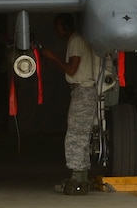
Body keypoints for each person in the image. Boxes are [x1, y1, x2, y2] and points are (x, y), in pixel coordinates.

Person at [41, 14, 102, 196]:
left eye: (58, 27)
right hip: (85, 91)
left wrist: (53, 57)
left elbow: (72, 69)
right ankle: (81, 177)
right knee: (81, 135)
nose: (56, 31)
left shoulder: (75, 40)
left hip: (82, 91)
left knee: (75, 136)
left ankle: (77, 177)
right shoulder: (80, 39)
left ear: (65, 26)